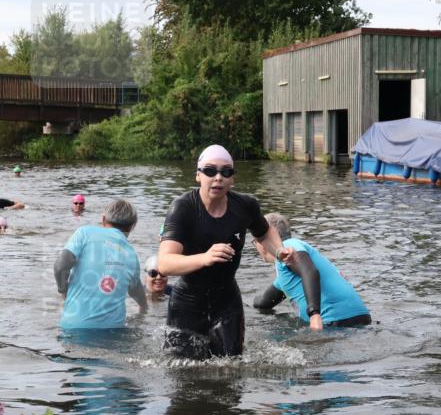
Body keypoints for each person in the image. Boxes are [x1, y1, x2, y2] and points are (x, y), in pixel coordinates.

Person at [158, 144, 295, 358]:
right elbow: (164, 263)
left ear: (233, 179)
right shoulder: (183, 207)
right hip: (188, 301)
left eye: (226, 172)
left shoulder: (245, 205)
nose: (218, 177)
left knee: (232, 366)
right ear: (198, 175)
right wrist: (205, 258)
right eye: (210, 171)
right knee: (183, 374)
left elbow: (264, 232)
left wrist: (279, 251)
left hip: (227, 299)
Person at [253, 213, 371, 332]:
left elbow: (309, 271)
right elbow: (264, 302)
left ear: (264, 239)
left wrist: (314, 314)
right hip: (359, 319)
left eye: (255, 240)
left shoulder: (289, 245)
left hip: (333, 322)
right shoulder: (287, 271)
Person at [54, 198, 148, 329]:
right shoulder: (131, 253)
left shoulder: (84, 233)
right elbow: (135, 290)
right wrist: (144, 309)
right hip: (114, 331)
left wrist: (63, 292)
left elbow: (60, 266)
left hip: (74, 327)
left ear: (103, 219)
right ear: (132, 226)